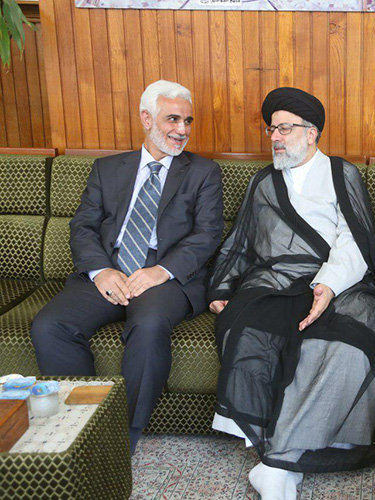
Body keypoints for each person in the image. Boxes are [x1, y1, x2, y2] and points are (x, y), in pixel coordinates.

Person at [208, 87, 375, 500]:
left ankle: (277, 463)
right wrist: (222, 285)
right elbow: (242, 240)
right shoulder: (263, 181)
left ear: (312, 133)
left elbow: (355, 238)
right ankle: (284, 459)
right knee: (247, 329)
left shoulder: (341, 173)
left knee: (345, 344)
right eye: (272, 130)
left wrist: (327, 284)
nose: (275, 137)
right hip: (273, 279)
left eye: (285, 129)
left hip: (339, 280)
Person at [31, 80, 224, 455]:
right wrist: (101, 271)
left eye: (187, 120)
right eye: (172, 119)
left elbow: (207, 235)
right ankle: (83, 425)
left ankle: (121, 438)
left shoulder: (203, 172)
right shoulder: (108, 169)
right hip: (111, 269)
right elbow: (83, 227)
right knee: (50, 326)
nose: (182, 129)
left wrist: (159, 271)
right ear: (146, 118)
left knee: (148, 325)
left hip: (166, 278)